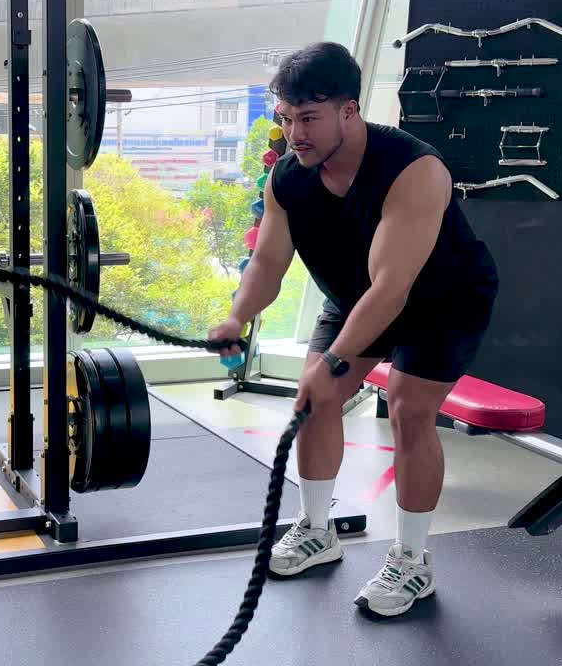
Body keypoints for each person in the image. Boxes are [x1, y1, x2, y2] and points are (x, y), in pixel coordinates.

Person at [208, 42, 499, 617]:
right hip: (355, 296)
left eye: (309, 119)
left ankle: (414, 563)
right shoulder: (289, 179)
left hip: (442, 299)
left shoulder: (413, 171)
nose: (295, 134)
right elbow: (268, 263)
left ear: (349, 110)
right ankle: (318, 531)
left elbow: (393, 288)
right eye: (286, 119)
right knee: (315, 401)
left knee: (409, 407)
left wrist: (335, 364)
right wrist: (236, 316)